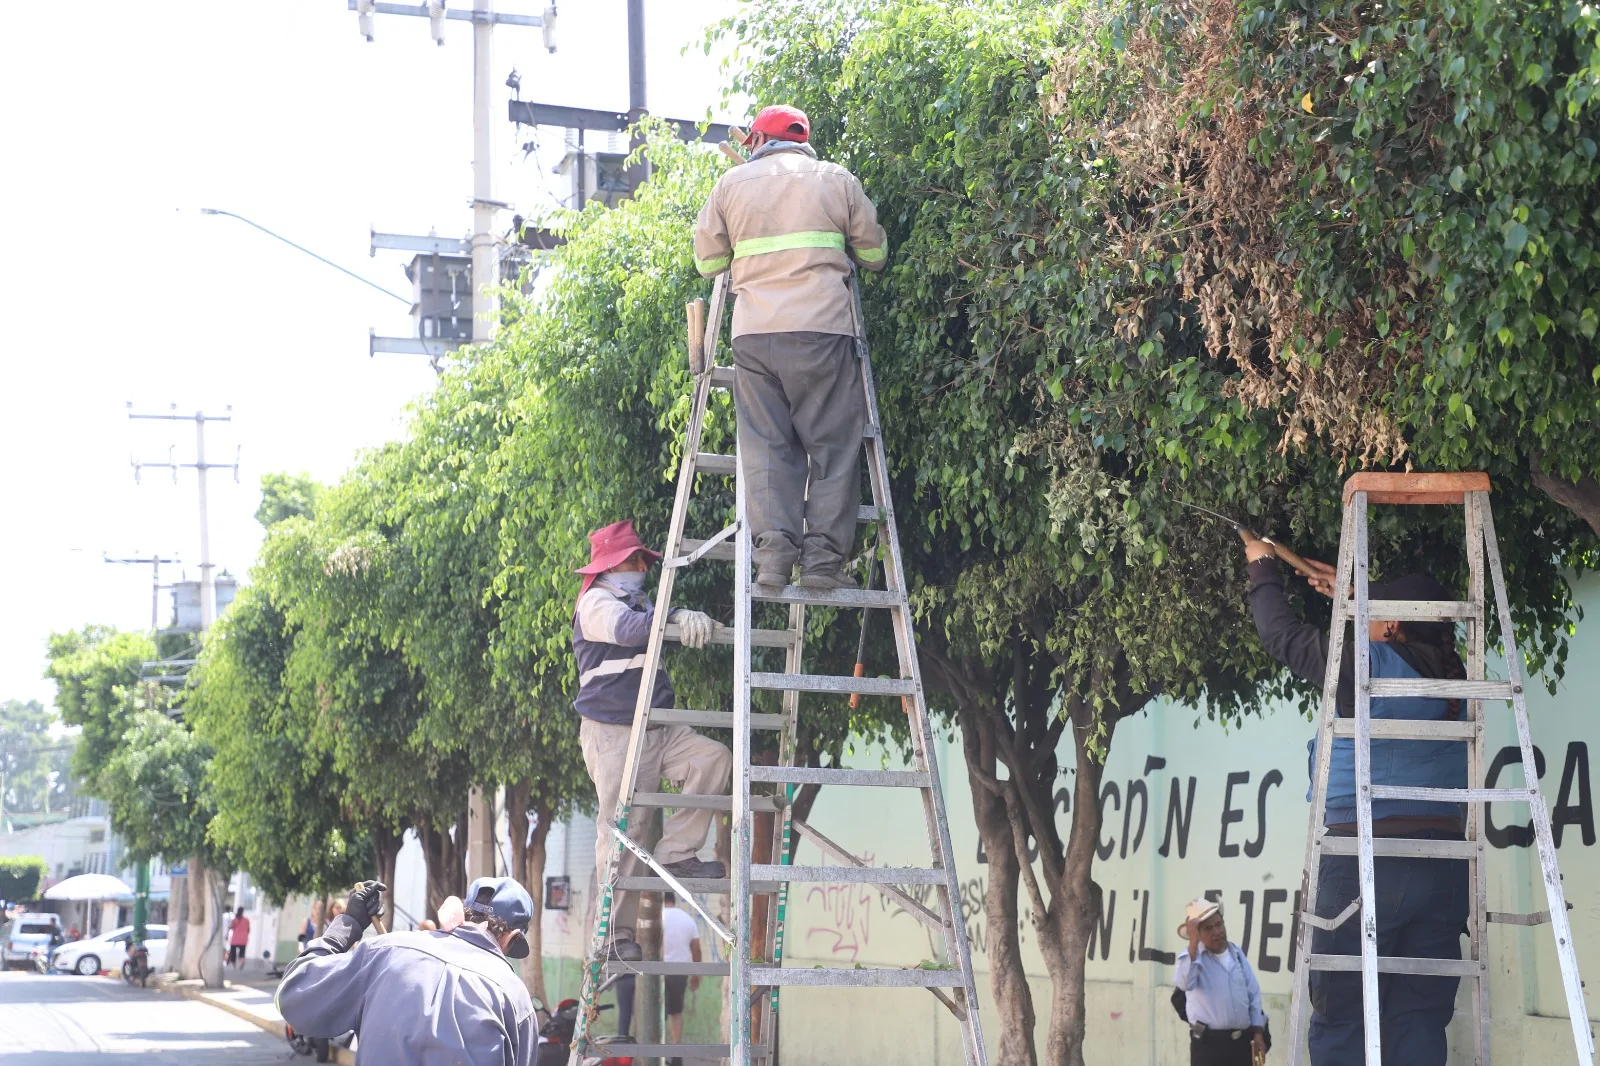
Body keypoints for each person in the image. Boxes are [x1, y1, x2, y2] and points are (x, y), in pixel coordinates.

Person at [1241, 531, 1469, 1065]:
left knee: (1342, 1015)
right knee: (1418, 1017)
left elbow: (1283, 637)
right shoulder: (1459, 681)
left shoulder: (1373, 667)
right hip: (1443, 865)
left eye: (1372, 616)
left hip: (1363, 856)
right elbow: (1371, 637)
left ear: (1391, 625)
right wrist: (1345, 592)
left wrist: (1261, 571)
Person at [692, 103, 890, 590]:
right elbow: (875, 255)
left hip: (755, 337)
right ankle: (823, 564)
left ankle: (774, 560)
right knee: (832, 447)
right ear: (803, 140)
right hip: (823, 332)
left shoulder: (728, 187)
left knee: (766, 448)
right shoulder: (837, 179)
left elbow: (707, 263)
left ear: (757, 141)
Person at [573, 521, 731, 961]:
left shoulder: (641, 602)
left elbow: (645, 622)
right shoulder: (596, 602)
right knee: (626, 830)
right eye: (635, 559)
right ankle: (613, 937)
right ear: (608, 566)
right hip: (616, 732)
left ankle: (677, 853)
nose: (643, 566)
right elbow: (629, 630)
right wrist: (674, 616)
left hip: (659, 726)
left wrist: (675, 614)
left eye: (643, 559)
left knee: (713, 759)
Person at [277, 877, 537, 1066]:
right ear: (513, 937)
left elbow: (294, 993)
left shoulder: (385, 952)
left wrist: (349, 925)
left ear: (465, 915)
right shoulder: (516, 999)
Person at [1174, 898, 1267, 1065]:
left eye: (1219, 924)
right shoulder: (1193, 959)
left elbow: (1253, 994)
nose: (1217, 931)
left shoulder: (1236, 953)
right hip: (1208, 1048)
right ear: (1197, 933)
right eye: (1208, 928)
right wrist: (1193, 944)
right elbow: (1183, 982)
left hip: (1241, 1046)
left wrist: (1258, 1032)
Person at [661, 891, 702, 1063]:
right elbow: (696, 950)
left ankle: (653, 1051)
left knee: (652, 1009)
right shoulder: (688, 919)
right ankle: (676, 1053)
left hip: (656, 970)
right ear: (674, 900)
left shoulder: (658, 917)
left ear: (662, 900)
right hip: (680, 970)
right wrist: (696, 974)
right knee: (676, 1012)